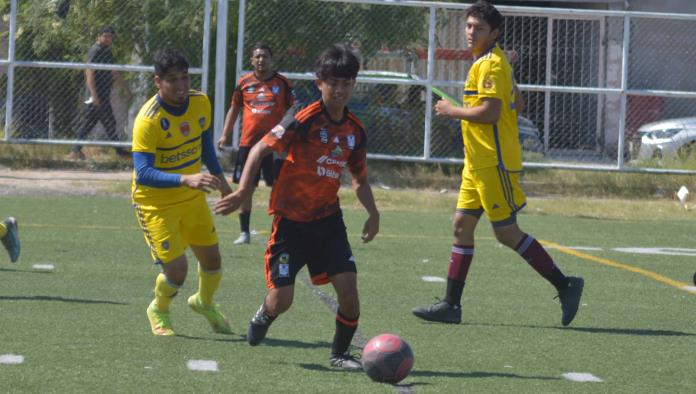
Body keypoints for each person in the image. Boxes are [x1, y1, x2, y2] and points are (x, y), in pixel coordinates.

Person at [412, 1, 584, 326]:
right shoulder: (490, 62)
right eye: (468, 26)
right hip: (476, 164)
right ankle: (451, 305)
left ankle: (566, 285)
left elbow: (491, 112)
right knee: (461, 226)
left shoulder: (490, 65)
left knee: (506, 233)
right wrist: (507, 83)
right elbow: (518, 103)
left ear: (495, 32)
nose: (470, 32)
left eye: (477, 27)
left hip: (495, 163)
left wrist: (452, 111)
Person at [214, 44, 380, 370]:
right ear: (320, 83)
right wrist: (243, 191)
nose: (340, 90)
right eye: (334, 83)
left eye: (347, 84)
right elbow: (260, 149)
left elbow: (359, 179)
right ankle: (265, 312)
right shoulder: (304, 118)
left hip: (328, 221)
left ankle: (340, 354)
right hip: (290, 223)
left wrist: (374, 214)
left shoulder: (355, 131)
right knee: (282, 300)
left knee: (349, 291)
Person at [131, 49, 232, 336]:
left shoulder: (201, 102)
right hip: (155, 203)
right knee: (177, 271)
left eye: (185, 78)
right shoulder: (148, 120)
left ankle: (204, 301)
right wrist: (185, 179)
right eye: (172, 80)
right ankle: (159, 309)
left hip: (191, 197)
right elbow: (144, 173)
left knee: (212, 260)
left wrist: (221, 181)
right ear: (157, 82)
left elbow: (205, 147)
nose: (181, 86)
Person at [217, 44, 295, 245]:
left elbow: (293, 110)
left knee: (280, 187)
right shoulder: (244, 83)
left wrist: (287, 134)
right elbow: (234, 109)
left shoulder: (282, 83)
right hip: (248, 144)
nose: (261, 60)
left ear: (271, 59)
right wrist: (225, 135)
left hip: (274, 145)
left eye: (265, 56)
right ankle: (244, 233)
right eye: (257, 57)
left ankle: (282, 232)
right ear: (252, 60)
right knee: (247, 188)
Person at [69, 25, 132, 160]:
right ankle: (120, 152)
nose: (108, 38)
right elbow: (89, 72)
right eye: (106, 36)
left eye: (110, 36)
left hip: (104, 94)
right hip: (96, 95)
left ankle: (76, 151)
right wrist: (93, 95)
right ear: (99, 36)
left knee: (100, 122)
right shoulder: (95, 50)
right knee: (98, 122)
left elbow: (114, 72)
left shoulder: (107, 52)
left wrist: (126, 89)